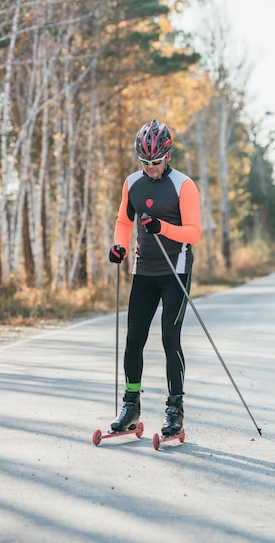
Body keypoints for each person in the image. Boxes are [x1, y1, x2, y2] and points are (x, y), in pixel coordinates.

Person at [108, 118, 201, 437]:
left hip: (176, 270)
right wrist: (119, 246)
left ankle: (175, 410)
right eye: (145, 162)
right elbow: (124, 220)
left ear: (168, 156)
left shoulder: (184, 186)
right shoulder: (132, 182)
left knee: (169, 338)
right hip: (143, 270)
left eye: (156, 161)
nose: (150, 167)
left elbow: (194, 232)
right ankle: (131, 406)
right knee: (134, 339)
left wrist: (161, 227)